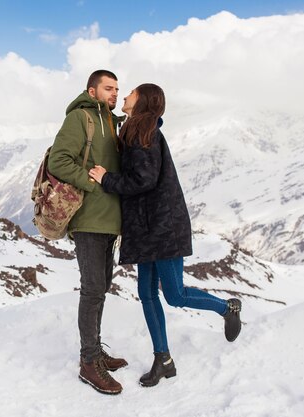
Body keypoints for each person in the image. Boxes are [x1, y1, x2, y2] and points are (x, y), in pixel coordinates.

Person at [88, 83, 242, 388]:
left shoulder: (144, 135)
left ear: (142, 101)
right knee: (146, 294)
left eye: (130, 92)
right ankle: (164, 359)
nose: (125, 96)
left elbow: (142, 180)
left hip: (163, 227)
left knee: (175, 295)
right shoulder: (135, 130)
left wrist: (107, 179)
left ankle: (228, 308)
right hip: (148, 229)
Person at [48, 70, 128, 395]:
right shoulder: (81, 118)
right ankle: (88, 362)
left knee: (101, 288)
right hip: (89, 220)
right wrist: (91, 183)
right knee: (92, 289)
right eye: (109, 88)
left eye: (117, 89)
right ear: (92, 90)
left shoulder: (112, 122)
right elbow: (58, 160)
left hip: (110, 221)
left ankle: (96, 351)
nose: (114, 93)